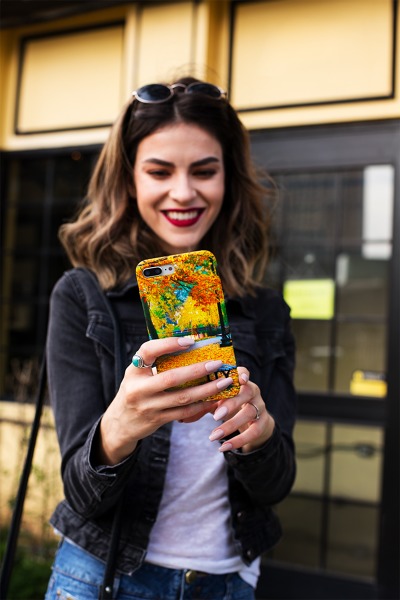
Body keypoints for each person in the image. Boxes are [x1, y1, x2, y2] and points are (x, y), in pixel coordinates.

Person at [45, 76, 297, 600]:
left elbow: (277, 486)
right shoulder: (83, 296)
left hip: (226, 582)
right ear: (129, 179)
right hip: (101, 578)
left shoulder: (267, 310)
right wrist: (120, 427)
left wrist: (261, 434)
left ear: (229, 178)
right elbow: (81, 494)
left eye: (204, 171)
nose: (183, 192)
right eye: (159, 171)